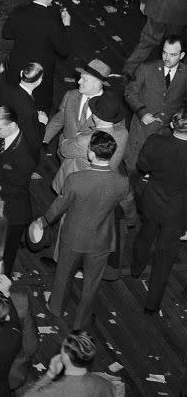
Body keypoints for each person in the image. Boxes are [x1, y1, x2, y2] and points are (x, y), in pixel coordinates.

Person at [37, 131, 134, 329]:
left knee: (63, 275)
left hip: (74, 236)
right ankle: (80, 321)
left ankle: (56, 308)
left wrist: (43, 222)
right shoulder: (122, 182)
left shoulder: (75, 179)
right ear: (112, 154)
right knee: (91, 284)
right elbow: (128, 207)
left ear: (90, 153)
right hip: (102, 240)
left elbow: (59, 206)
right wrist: (131, 221)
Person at [130, 111, 187, 314]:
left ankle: (135, 270)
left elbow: (142, 165)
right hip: (178, 211)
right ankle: (151, 304)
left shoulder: (155, 141)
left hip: (152, 201)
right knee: (164, 259)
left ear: (173, 124)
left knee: (145, 235)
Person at [3, 0, 71, 111]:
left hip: (17, 65)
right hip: (40, 71)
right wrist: (67, 25)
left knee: (13, 106)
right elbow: (64, 49)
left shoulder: (19, 10)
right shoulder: (52, 19)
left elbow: (6, 34)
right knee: (37, 108)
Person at [0, 106, 38, 275]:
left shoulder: (25, 155)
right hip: (0, 204)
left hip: (14, 214)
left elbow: (19, 190)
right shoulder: (3, 137)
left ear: (13, 125)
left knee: (4, 260)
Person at [123, 36, 187, 174]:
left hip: (167, 130)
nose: (167, 58)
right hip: (143, 128)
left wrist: (180, 119)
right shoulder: (146, 68)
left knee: (157, 167)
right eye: (164, 52)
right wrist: (142, 112)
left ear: (182, 55)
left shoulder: (185, 74)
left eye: (173, 54)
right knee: (133, 165)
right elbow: (130, 92)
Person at [51, 92, 127, 194]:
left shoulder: (86, 140)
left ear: (94, 116)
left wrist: (65, 137)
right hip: (105, 185)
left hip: (78, 185)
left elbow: (64, 150)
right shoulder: (124, 133)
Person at [23, 331, 115, 396]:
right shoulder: (104, 383)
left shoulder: (54, 391)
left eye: (61, 347)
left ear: (65, 358)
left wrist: (50, 374)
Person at [43, 59, 108, 150]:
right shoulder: (71, 95)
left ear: (96, 84)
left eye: (84, 79)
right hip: (64, 149)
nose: (79, 81)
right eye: (80, 77)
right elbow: (59, 119)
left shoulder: (109, 107)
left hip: (86, 158)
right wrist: (44, 139)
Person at [0, 63, 46, 153]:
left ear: (21, 73)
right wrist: (42, 123)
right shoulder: (29, 109)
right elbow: (35, 142)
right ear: (39, 81)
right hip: (14, 151)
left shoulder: (5, 88)